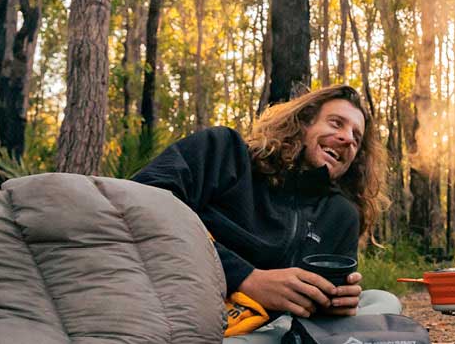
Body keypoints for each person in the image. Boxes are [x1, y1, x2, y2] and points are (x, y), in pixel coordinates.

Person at [132, 85, 386, 321]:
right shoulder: (224, 152)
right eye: (336, 123)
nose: (348, 139)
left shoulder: (341, 216)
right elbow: (141, 201)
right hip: (180, 313)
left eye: (356, 137)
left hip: (278, 337)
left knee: (382, 302)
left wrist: (338, 304)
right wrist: (245, 278)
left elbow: (321, 307)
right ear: (304, 123)